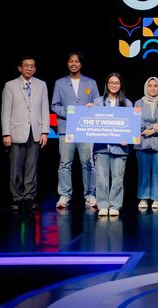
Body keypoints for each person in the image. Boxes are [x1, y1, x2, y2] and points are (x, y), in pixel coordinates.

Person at [51, 51, 100, 209]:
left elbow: (98, 103)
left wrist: (92, 107)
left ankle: (90, 194)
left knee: (88, 163)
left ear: (81, 64)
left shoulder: (91, 83)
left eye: (77, 61)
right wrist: (70, 113)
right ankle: (64, 195)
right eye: (71, 61)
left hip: (85, 129)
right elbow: (54, 105)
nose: (73, 64)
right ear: (67, 63)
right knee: (65, 163)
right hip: (66, 129)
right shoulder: (60, 83)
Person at [1, 56, 49, 212]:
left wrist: (44, 132)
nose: (29, 68)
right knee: (15, 168)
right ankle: (17, 198)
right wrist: (6, 133)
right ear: (20, 68)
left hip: (35, 132)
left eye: (32, 66)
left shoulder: (41, 85)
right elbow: (5, 111)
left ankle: (30, 197)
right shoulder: (10, 85)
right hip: (16, 132)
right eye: (26, 65)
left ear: (35, 68)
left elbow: (45, 109)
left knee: (31, 168)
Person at [92, 73, 133, 217]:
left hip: (120, 148)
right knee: (101, 178)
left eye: (117, 83)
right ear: (107, 84)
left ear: (120, 85)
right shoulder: (98, 102)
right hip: (101, 147)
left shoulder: (127, 103)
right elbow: (92, 122)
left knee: (117, 178)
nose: (114, 85)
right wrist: (88, 110)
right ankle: (103, 205)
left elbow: (131, 125)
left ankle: (115, 205)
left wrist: (127, 138)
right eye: (111, 82)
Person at [135, 77, 158, 212]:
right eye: (150, 85)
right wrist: (152, 128)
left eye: (155, 85)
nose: (153, 88)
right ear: (146, 87)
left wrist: (153, 130)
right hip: (143, 142)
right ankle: (143, 198)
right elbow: (137, 121)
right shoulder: (138, 103)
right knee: (143, 171)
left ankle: (157, 198)